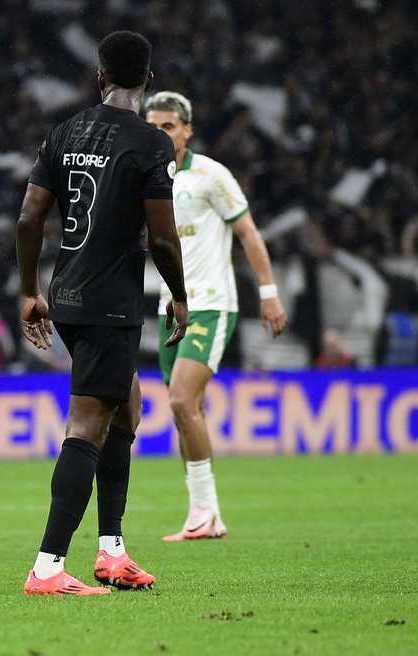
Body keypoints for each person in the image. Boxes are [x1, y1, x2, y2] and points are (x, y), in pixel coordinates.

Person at [16, 31, 189, 596]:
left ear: (99, 77)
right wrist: (180, 295)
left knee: (127, 408)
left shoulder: (64, 132)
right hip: (109, 302)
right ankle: (47, 568)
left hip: (66, 294)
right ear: (150, 80)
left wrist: (28, 292)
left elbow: (27, 220)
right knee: (88, 423)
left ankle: (112, 551)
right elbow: (162, 240)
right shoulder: (150, 143)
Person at [144, 90, 287, 541]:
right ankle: (207, 515)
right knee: (186, 410)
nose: (160, 134)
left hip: (211, 303)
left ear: (187, 129)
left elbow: (247, 232)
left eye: (168, 126)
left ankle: (204, 512)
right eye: (153, 126)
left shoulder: (210, 175)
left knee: (182, 401)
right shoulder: (142, 176)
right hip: (170, 307)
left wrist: (268, 293)